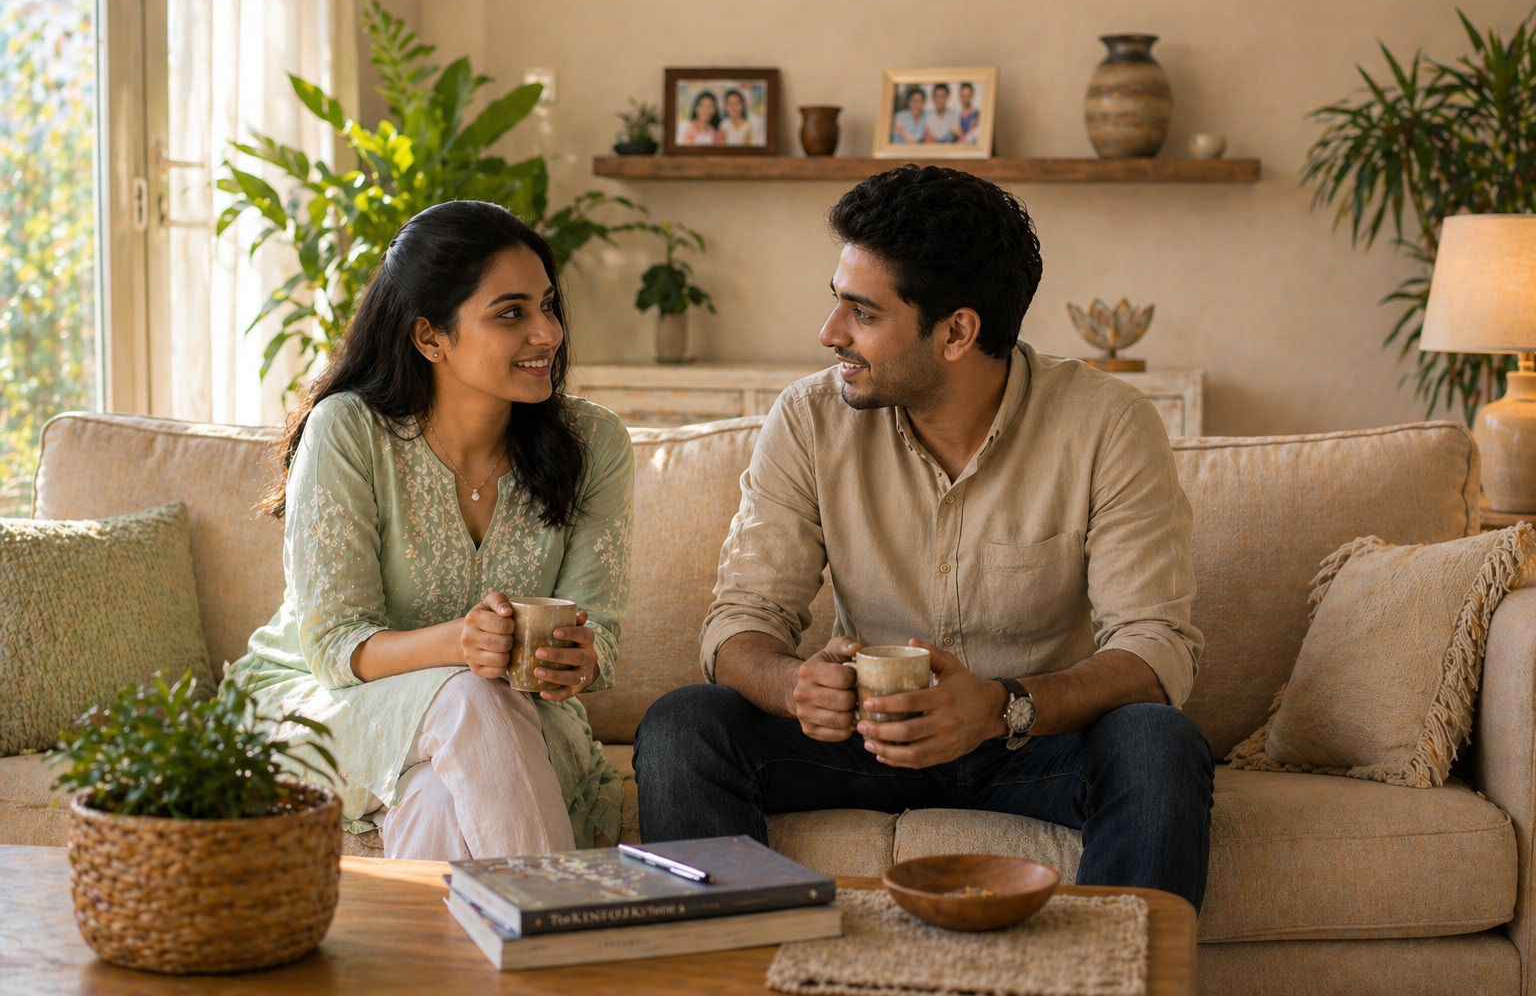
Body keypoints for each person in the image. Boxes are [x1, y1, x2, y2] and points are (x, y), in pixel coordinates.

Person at [633, 165, 1214, 911]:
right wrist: (793, 685)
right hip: (863, 740)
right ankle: (736, 976)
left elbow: (1157, 647)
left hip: (1032, 743)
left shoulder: (1107, 424)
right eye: (835, 303)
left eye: (862, 314)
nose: (829, 333)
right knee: (685, 724)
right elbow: (739, 622)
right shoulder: (809, 420)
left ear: (957, 332)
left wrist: (1001, 706)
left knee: (1158, 743)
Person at [223, 200, 633, 861]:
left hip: (518, 718)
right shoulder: (349, 432)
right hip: (328, 705)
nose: (548, 333)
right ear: (430, 337)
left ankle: (442, 966)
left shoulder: (595, 442)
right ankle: (563, 936)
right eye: (511, 313)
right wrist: (462, 646)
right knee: (470, 695)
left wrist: (580, 662)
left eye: (548, 305)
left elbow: (601, 633)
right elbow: (333, 648)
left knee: (441, 800)